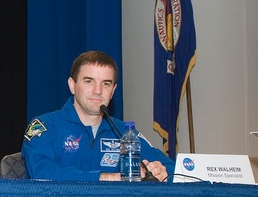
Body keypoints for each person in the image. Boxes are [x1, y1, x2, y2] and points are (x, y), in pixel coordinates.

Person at [21, 50, 173, 181]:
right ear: (72, 85)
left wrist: (160, 171)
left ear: (113, 91)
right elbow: (42, 174)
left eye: (106, 84)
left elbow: (173, 169)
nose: (97, 91)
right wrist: (109, 178)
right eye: (89, 81)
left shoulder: (123, 132)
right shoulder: (45, 127)